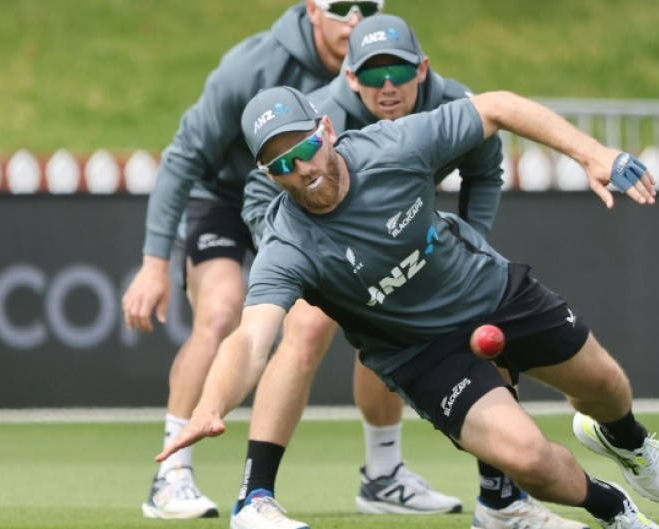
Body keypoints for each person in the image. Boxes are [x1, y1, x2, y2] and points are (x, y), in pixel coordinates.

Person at [156, 85, 659, 529]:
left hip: (494, 294)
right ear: (270, 175)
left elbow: (497, 106)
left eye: (307, 146)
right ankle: (614, 508)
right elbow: (251, 338)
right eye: (284, 163)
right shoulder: (287, 244)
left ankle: (624, 438)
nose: (303, 168)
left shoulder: (395, 146)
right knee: (530, 460)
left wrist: (591, 154)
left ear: (327, 130)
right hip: (423, 355)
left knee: (605, 386)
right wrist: (212, 405)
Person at [235, 14, 588, 529]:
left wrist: (470, 243)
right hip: (301, 226)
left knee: (452, 309)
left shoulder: (448, 103)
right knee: (307, 329)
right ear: (349, 77)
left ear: (420, 70)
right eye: (371, 75)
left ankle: (475, 494)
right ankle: (260, 493)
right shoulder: (323, 117)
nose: (386, 85)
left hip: (403, 235)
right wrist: (302, 258)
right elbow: (261, 194)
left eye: (396, 72)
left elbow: (484, 171)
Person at [121, 0, 456, 520]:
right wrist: (152, 260)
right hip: (229, 202)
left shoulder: (376, 74)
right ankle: (171, 476)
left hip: (314, 203)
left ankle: (384, 476)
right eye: (341, 7)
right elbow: (184, 154)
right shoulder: (250, 66)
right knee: (221, 312)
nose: (355, 18)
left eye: (367, 7)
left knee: (382, 303)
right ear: (311, 10)